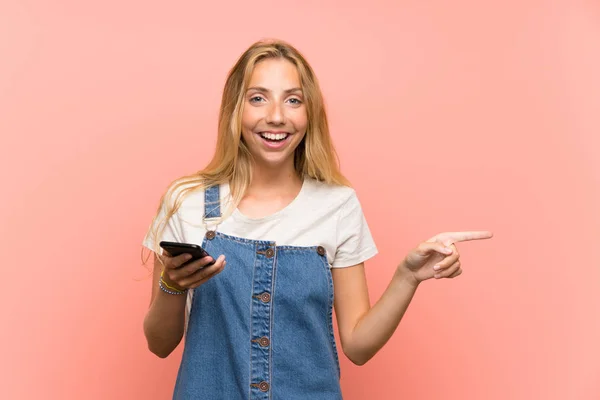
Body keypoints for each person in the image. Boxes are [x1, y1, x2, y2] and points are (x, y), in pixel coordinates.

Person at [142, 39, 493, 400]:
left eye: (293, 99)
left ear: (310, 114)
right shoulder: (187, 201)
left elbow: (357, 345)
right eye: (258, 97)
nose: (276, 115)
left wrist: (408, 277)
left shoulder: (337, 205)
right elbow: (159, 343)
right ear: (235, 108)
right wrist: (174, 284)